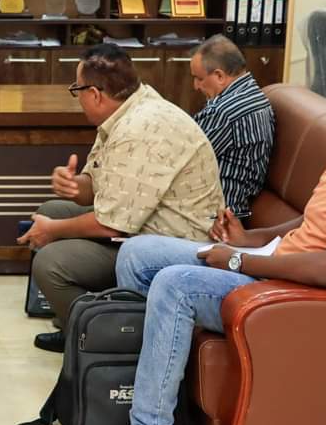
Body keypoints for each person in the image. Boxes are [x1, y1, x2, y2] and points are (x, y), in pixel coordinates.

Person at [74, 63, 326, 425]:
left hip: (301, 297)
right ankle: (154, 391)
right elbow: (311, 225)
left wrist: (239, 260)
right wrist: (248, 239)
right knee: (136, 253)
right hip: (275, 265)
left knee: (175, 286)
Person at [17, 44, 223, 353]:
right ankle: (75, 325)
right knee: (53, 209)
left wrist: (52, 231)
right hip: (142, 227)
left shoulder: (140, 128)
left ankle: (99, 339)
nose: (77, 98)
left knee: (50, 262)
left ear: (95, 94)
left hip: (172, 246)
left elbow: (112, 225)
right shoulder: (126, 111)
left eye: (76, 90)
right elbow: (96, 186)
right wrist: (74, 185)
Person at [189, 35, 275, 217]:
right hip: (236, 206)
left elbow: (184, 160)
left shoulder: (223, 112)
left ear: (219, 76)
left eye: (199, 78)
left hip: (216, 216)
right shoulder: (255, 95)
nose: (195, 86)